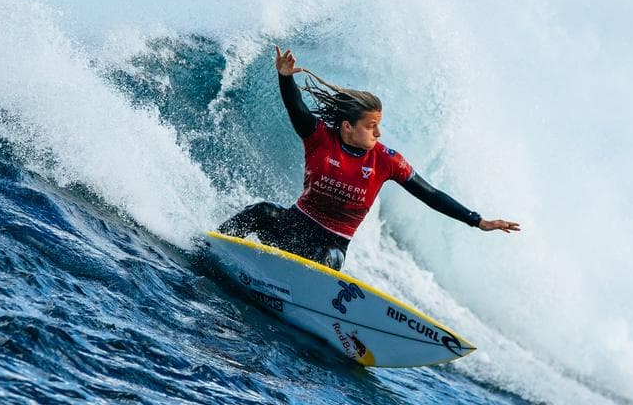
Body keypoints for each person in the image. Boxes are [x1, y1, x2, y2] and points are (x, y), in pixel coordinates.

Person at [218, 46, 519, 270]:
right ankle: (214, 246)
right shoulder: (320, 138)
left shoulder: (387, 161)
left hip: (329, 245)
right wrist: (284, 77)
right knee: (263, 211)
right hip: (293, 228)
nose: (379, 132)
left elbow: (430, 194)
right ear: (347, 127)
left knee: (330, 258)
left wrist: (478, 221)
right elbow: (296, 107)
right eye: (371, 125)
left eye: (378, 124)